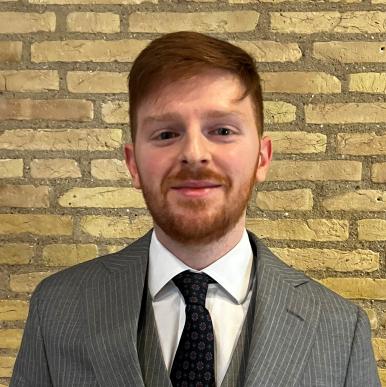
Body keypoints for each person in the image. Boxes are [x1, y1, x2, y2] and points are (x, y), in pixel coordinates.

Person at [11, 31, 380, 387]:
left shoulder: (340, 330)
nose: (194, 154)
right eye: (166, 134)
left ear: (262, 158)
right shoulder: (57, 308)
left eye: (222, 131)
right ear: (133, 164)